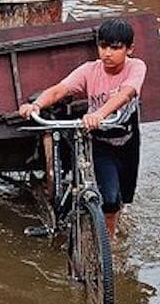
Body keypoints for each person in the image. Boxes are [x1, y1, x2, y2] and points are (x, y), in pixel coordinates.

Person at [19, 18, 145, 237]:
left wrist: (98, 113)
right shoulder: (89, 70)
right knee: (110, 200)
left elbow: (126, 94)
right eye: (103, 46)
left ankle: (112, 224)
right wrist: (36, 105)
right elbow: (60, 90)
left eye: (115, 48)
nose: (107, 53)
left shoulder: (137, 67)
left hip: (128, 139)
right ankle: (110, 246)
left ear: (129, 49)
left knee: (123, 198)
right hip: (100, 142)